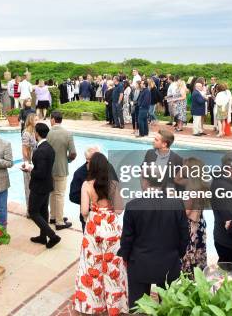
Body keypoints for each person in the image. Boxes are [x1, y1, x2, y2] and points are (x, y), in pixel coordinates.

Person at [118, 157, 189, 309]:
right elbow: (184, 235)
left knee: (139, 307)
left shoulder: (132, 206)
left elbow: (127, 239)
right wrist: (178, 254)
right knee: (169, 308)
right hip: (169, 262)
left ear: (145, 181)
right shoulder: (176, 204)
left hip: (140, 263)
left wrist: (125, 257)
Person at [73, 152, 127, 314]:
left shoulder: (86, 185)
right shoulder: (113, 184)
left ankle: (94, 304)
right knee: (113, 267)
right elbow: (119, 210)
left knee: (91, 266)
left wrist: (94, 211)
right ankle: (115, 305)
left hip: (94, 228)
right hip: (111, 227)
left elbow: (83, 211)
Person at [21, 122, 61, 248]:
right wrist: (34, 167)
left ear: (36, 134)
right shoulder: (49, 147)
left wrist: (29, 169)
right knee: (43, 211)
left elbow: (40, 173)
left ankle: (52, 236)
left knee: (33, 211)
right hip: (47, 185)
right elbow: (44, 169)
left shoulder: (40, 151)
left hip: (39, 186)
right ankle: (43, 237)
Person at [47, 111, 76, 230]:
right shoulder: (68, 134)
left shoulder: (47, 133)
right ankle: (59, 222)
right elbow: (73, 153)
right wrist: (67, 160)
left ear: (53, 120)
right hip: (61, 168)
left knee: (52, 193)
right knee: (59, 194)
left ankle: (53, 216)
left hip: (48, 169)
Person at [21, 114, 38, 208]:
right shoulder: (26, 133)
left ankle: (34, 207)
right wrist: (28, 163)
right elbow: (24, 149)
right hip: (29, 162)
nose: (37, 121)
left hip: (35, 161)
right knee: (28, 186)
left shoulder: (34, 131)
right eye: (35, 120)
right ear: (31, 120)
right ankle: (29, 209)